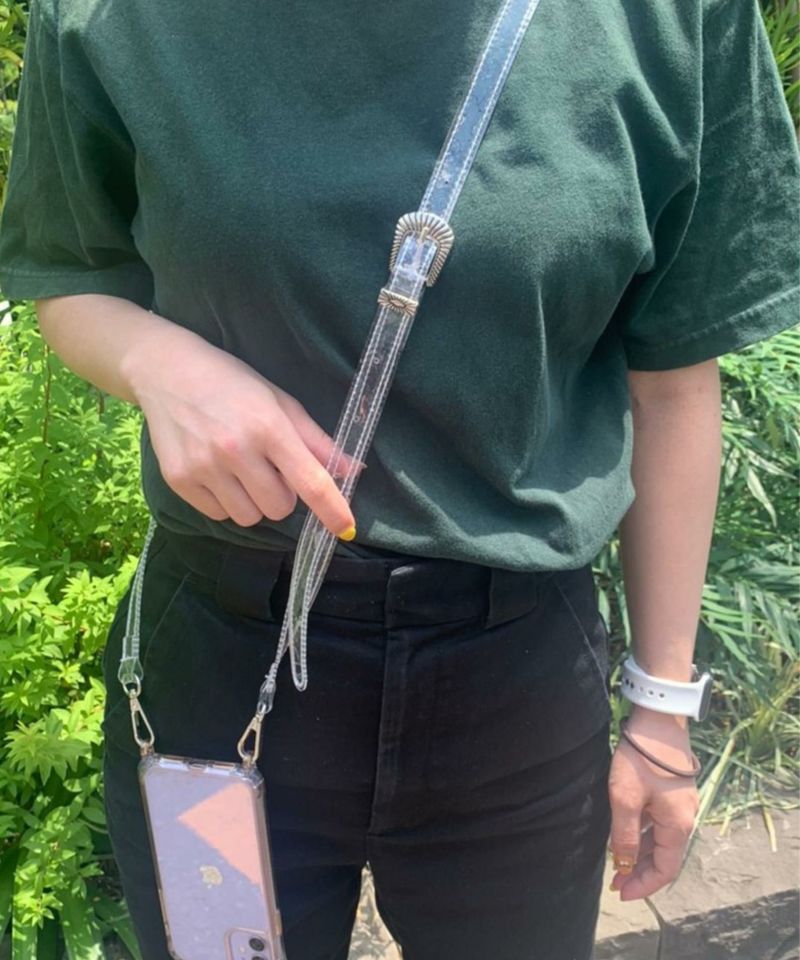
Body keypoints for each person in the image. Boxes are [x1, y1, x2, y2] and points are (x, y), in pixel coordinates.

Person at [1, 1, 798, 957]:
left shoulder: (670, 17)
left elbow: (672, 380)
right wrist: (157, 365)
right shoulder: (110, 16)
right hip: (222, 664)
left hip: (516, 689)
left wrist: (662, 711)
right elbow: (71, 269)